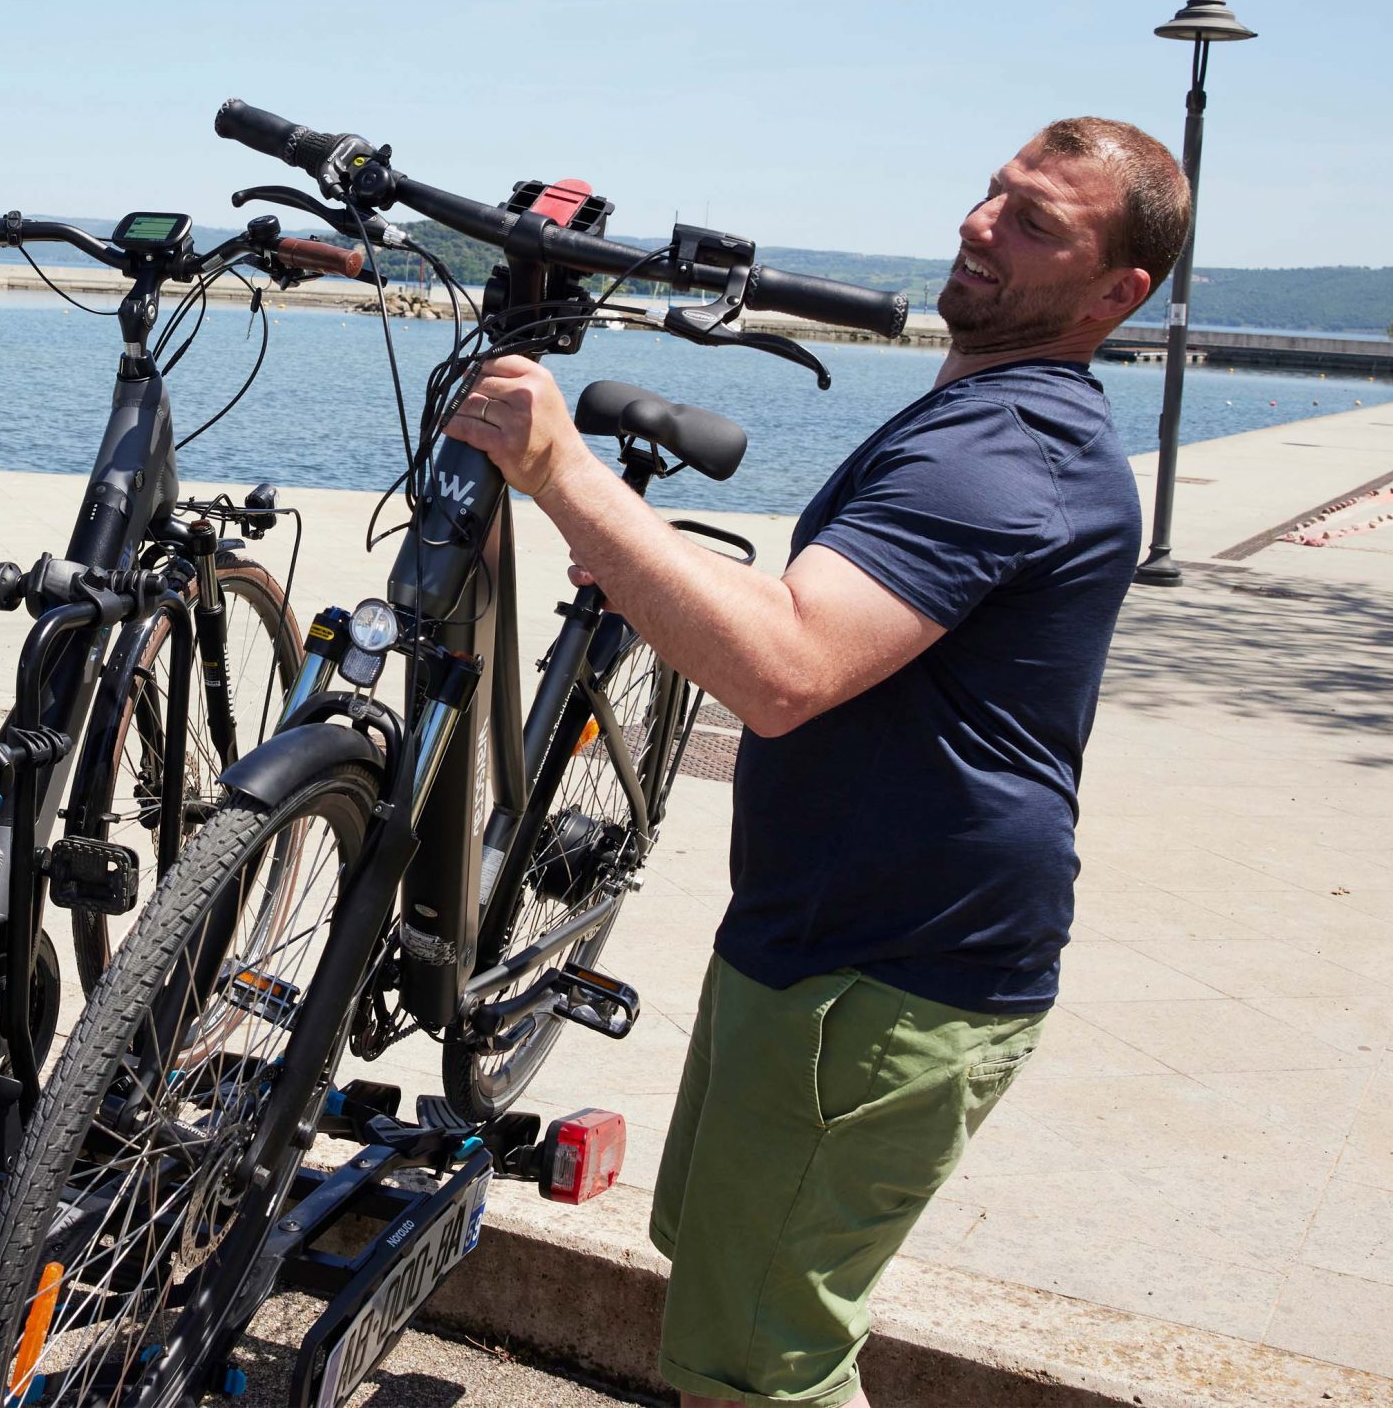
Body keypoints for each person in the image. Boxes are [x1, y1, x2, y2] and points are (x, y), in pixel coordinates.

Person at [445, 117, 1188, 1407]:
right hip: (822, 938)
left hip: (886, 974)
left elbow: (784, 672)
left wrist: (560, 470)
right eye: (991, 195)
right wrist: (649, 562)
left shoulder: (1003, 446)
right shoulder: (999, 418)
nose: (979, 225)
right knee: (727, 1267)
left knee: (760, 1358)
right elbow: (849, 634)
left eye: (1034, 224)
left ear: (1116, 293)